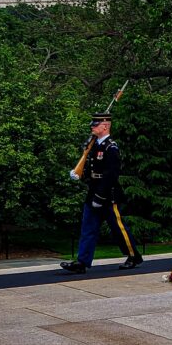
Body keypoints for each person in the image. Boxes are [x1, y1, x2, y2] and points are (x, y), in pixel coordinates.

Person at [60, 111, 143, 273]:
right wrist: (79, 174)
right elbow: (92, 169)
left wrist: (100, 196)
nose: (92, 127)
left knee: (118, 228)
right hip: (93, 192)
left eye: (96, 125)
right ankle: (82, 262)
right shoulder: (94, 145)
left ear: (105, 126)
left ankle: (133, 256)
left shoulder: (111, 147)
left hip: (107, 195)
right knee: (88, 228)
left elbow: (111, 174)